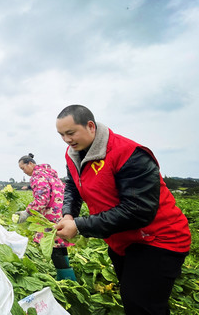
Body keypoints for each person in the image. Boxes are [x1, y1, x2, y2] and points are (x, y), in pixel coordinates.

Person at [54, 105, 191, 314]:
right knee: (132, 300)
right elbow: (73, 184)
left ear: (90, 126)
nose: (66, 139)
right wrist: (68, 213)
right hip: (121, 239)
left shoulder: (129, 153)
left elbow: (138, 210)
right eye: (61, 134)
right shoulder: (73, 153)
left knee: (143, 305)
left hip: (159, 239)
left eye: (70, 133)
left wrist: (79, 226)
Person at [17, 153, 76, 281]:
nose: (24, 171)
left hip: (52, 216)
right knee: (60, 246)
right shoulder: (49, 173)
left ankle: (68, 282)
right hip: (63, 213)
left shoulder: (37, 176)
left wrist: (27, 212)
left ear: (30, 164)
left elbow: (41, 199)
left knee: (54, 248)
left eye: (23, 168)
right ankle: (67, 276)